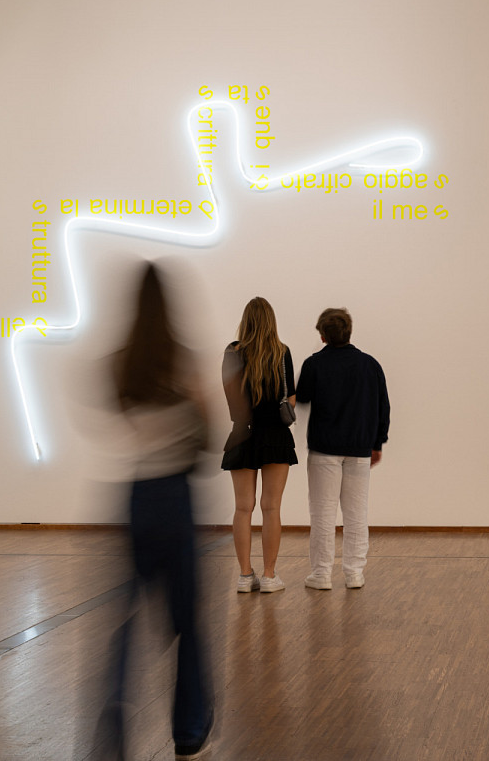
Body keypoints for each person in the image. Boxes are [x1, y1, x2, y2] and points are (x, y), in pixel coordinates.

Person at [104, 262, 213, 759]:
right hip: (175, 496)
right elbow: (207, 437)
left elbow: (123, 420)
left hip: (136, 496)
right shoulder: (183, 360)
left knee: (126, 617)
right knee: (187, 619)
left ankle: (113, 719)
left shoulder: (120, 363)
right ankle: (188, 730)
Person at [296, 307, 390, 589]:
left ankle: (321, 574)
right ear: (349, 331)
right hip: (360, 448)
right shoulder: (370, 365)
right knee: (356, 514)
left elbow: (302, 398)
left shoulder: (314, 364)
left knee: (323, 515)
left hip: (324, 449)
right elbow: (383, 407)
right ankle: (354, 573)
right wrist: (377, 443)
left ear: (322, 336)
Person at [221, 297, 297, 593]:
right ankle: (268, 576)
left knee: (243, 508)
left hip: (242, 434)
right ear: (271, 321)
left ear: (246, 321)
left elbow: (229, 394)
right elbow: (290, 398)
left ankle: (244, 576)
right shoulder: (281, 352)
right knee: (271, 507)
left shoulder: (232, 352)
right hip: (275, 435)